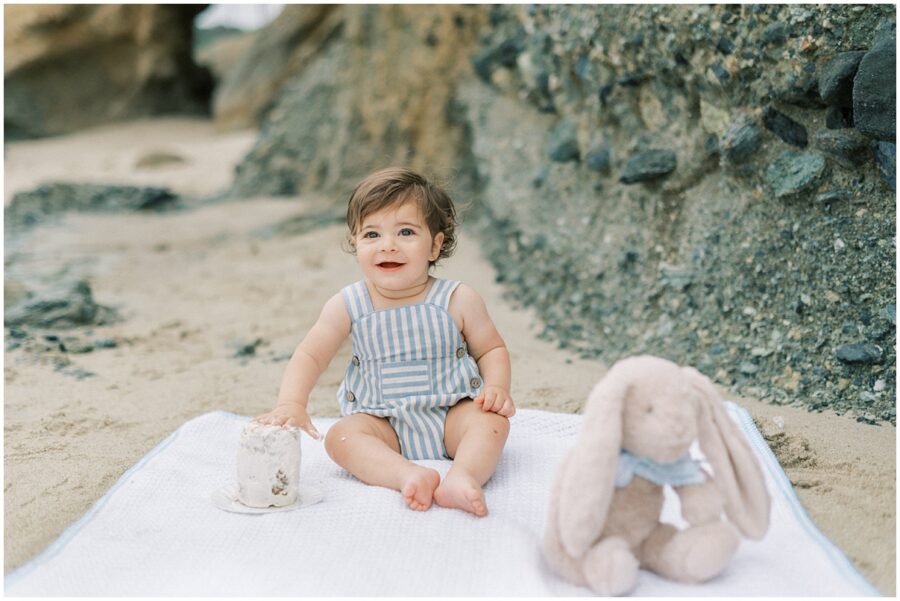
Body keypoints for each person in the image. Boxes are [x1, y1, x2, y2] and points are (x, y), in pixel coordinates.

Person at [255, 166, 515, 517]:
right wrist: (292, 403)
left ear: (435, 245)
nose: (387, 245)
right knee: (341, 438)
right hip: (382, 422)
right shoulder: (348, 304)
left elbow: (491, 349)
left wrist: (497, 388)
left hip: (452, 413)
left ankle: (462, 475)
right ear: (355, 243)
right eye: (371, 235)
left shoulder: (457, 299)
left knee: (491, 424)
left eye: (406, 232)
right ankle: (406, 474)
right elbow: (311, 354)